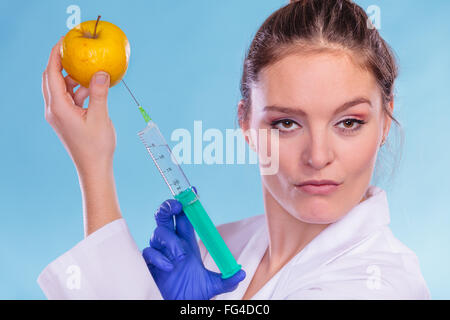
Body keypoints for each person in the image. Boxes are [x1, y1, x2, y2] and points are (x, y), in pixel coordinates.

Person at [38, 0, 430, 299]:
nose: (318, 156)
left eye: (349, 122)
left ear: (384, 120)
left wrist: (94, 166)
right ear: (245, 122)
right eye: (286, 123)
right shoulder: (223, 249)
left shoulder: (382, 285)